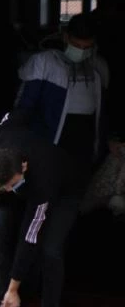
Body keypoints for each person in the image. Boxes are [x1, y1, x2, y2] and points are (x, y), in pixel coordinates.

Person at [0, 110, 77, 307]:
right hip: (22, 185)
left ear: (23, 167)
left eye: (10, 184)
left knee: (49, 249)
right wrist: (1, 185)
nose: (4, 190)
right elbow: (15, 113)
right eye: (1, 186)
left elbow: (30, 236)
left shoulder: (44, 177)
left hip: (64, 191)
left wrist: (15, 287)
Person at [14, 13, 111, 185]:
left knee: (76, 188)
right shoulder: (44, 62)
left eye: (86, 47)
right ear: (66, 37)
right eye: (76, 45)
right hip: (50, 138)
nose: (81, 51)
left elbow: (104, 110)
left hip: (84, 140)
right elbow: (24, 106)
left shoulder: (98, 67)